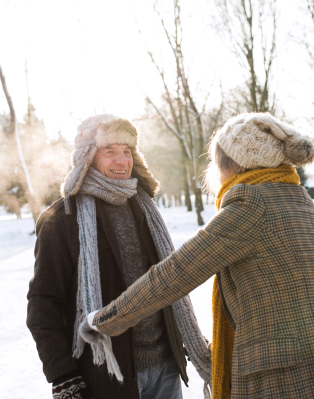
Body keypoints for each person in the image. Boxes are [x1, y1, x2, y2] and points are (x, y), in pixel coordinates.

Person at [83, 113, 314, 399]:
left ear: (235, 166)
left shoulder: (251, 202)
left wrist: (105, 320)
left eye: (216, 164)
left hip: (286, 378)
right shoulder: (297, 198)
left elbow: (175, 274)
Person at [27, 114, 211, 399]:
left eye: (127, 152)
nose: (122, 161)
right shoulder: (61, 218)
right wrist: (62, 373)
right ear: (87, 157)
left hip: (166, 366)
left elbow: (167, 283)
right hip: (108, 374)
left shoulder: (145, 208)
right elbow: (43, 302)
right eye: (110, 151)